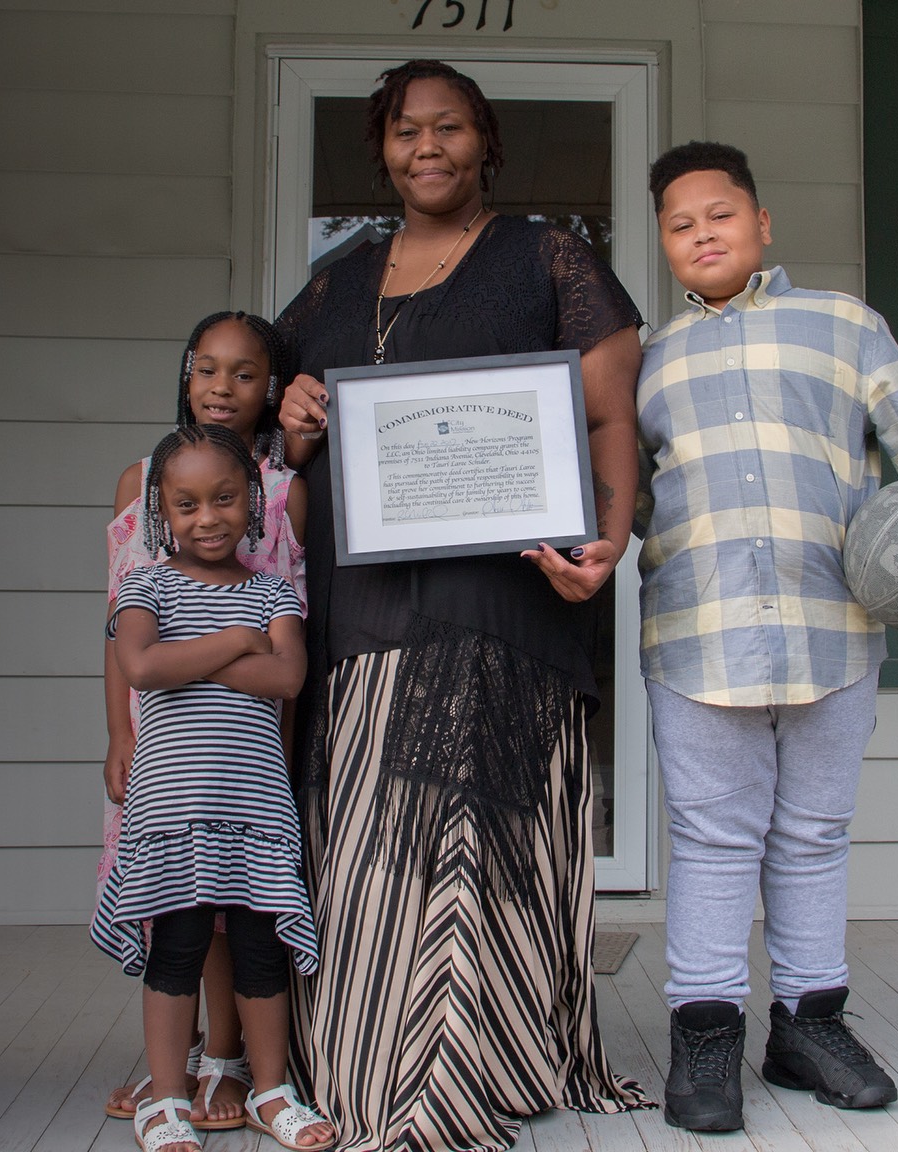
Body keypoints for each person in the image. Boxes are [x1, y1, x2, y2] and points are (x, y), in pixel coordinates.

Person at [275, 59, 655, 1152]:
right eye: (404, 131)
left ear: (484, 141)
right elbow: (272, 399)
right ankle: (361, 1059)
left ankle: (463, 1075)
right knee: (370, 846)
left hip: (507, 600)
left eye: (447, 128)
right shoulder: (338, 281)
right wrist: (293, 408)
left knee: (466, 842)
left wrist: (610, 541)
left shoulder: (547, 257)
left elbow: (607, 420)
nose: (425, 147)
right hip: (363, 611)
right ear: (381, 150)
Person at [635, 141, 898, 1132]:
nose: (701, 234)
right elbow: (616, 499)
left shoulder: (843, 326)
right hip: (698, 628)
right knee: (712, 839)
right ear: (662, 244)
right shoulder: (642, 360)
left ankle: (808, 1025)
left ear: (760, 222)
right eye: (679, 225)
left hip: (832, 622)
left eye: (719, 214)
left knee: (812, 835)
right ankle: (705, 1038)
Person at [93, 424, 335, 1152]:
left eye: (225, 499)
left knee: (261, 954)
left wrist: (184, 656)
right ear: (160, 511)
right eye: (188, 503)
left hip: (256, 805)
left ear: (252, 502)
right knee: (179, 948)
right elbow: (140, 666)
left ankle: (270, 1090)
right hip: (172, 807)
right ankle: (165, 1099)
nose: (208, 517)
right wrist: (233, 643)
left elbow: (286, 677)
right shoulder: (145, 583)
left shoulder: (272, 592)